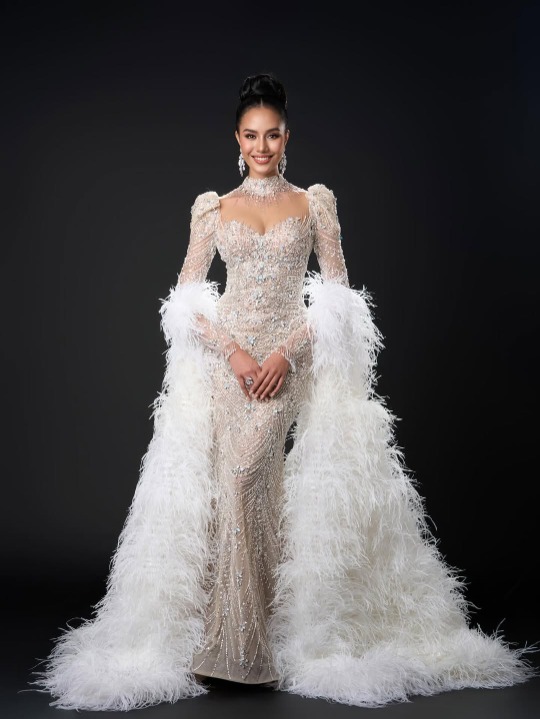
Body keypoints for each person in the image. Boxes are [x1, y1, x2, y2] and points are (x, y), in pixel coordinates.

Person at [29, 72, 536, 711]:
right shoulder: (213, 208)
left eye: (272, 135)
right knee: (236, 483)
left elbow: (337, 297)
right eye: (251, 136)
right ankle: (234, 638)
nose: (261, 147)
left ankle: (251, 644)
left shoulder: (314, 204)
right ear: (236, 139)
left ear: (287, 137)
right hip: (231, 364)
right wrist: (235, 352)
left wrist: (284, 354)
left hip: (287, 360)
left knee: (248, 475)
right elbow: (185, 300)